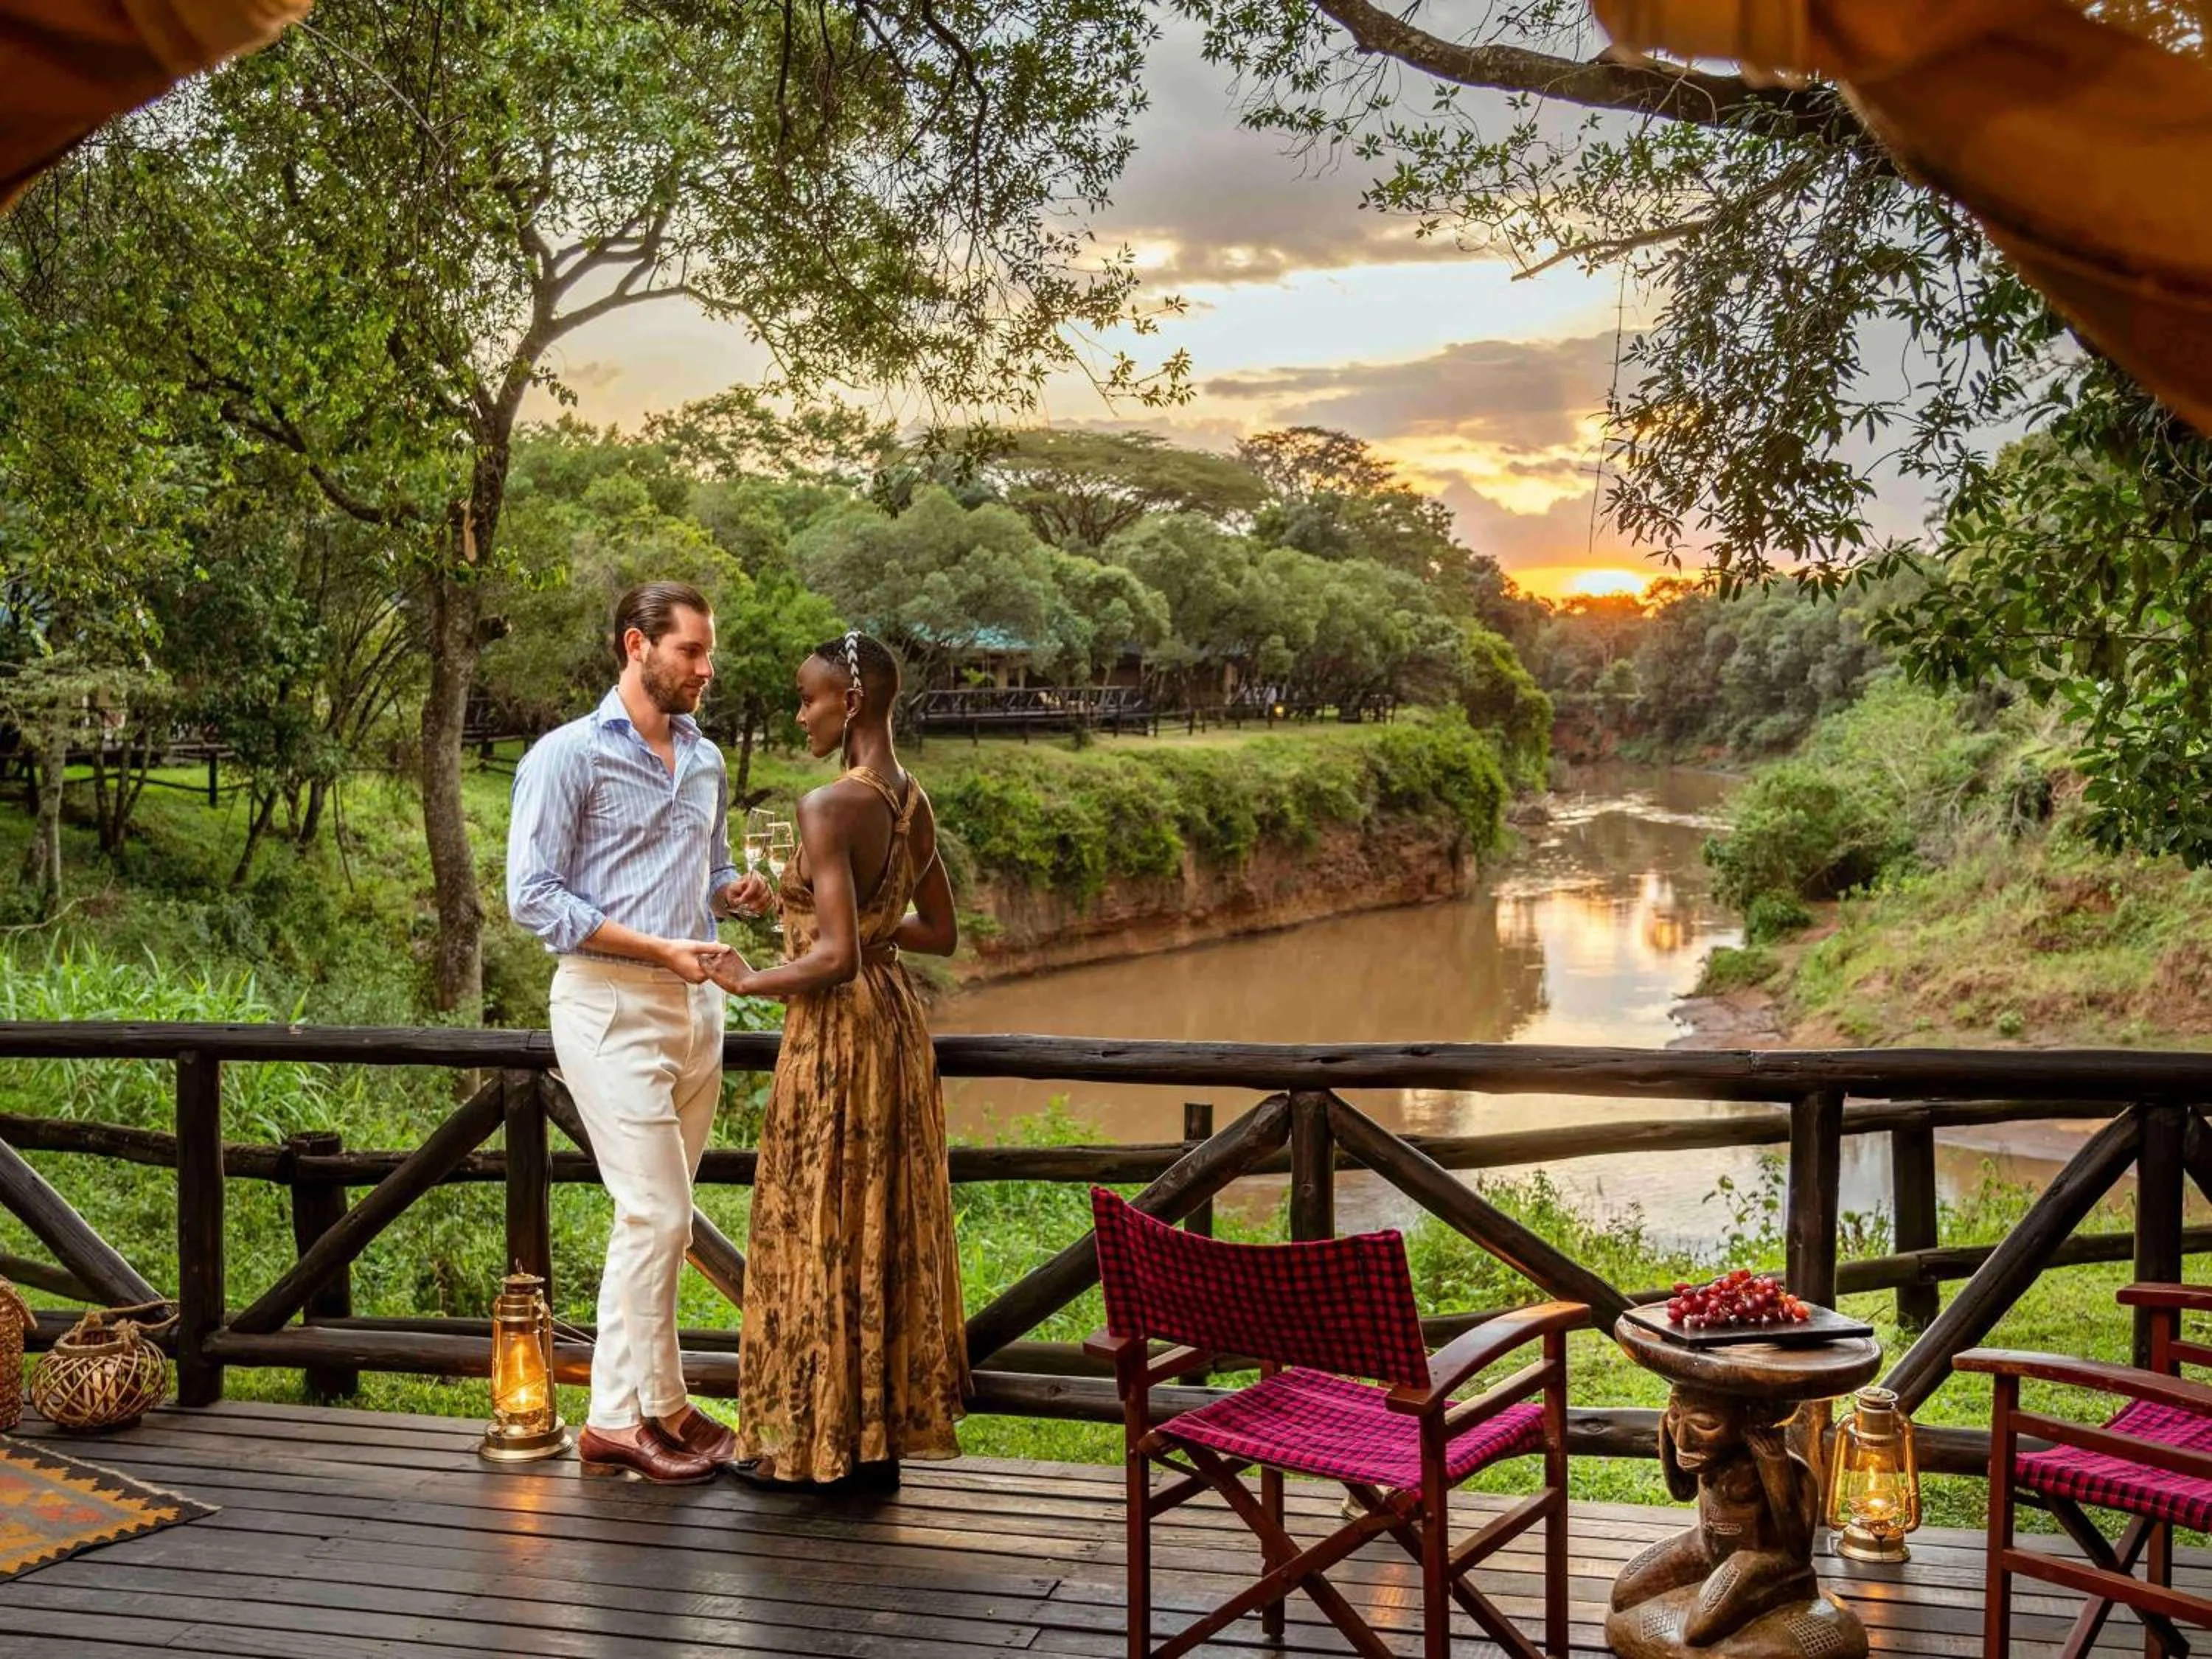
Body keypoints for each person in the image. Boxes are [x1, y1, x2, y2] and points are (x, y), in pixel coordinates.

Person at [505, 580, 753, 1484]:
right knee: (656, 1211)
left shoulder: (706, 758)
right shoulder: (565, 756)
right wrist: (656, 946)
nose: (705, 667)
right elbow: (532, 898)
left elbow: (713, 869)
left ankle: (670, 1406)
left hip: (698, 1009)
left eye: (707, 650)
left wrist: (736, 895)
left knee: (665, 1223)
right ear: (636, 647)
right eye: (690, 650)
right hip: (608, 1002)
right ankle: (614, 1420)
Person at [711, 630, 967, 1490]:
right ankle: (875, 1444)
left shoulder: (829, 806)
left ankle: (816, 1448)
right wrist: (840, 921)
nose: (800, 713)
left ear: (850, 703)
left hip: (834, 1035)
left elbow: (833, 961)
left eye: (809, 698)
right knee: (880, 1222)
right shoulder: (909, 801)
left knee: (818, 1224)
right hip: (896, 1027)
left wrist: (750, 982)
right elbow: (938, 931)